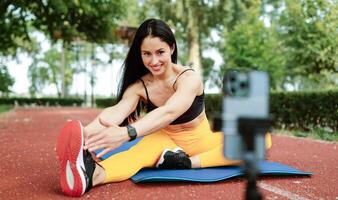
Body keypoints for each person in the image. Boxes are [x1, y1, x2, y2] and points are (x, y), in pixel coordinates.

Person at [56, 18, 272, 197]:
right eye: (146, 54)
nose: (154, 60)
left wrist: (128, 132)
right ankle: (91, 176)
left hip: (202, 143)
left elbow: (169, 111)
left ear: (172, 48)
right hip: (164, 142)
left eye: (160, 52)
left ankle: (187, 163)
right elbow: (117, 111)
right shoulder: (140, 86)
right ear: (140, 54)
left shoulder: (189, 79)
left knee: (262, 139)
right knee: (136, 154)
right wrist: (85, 133)